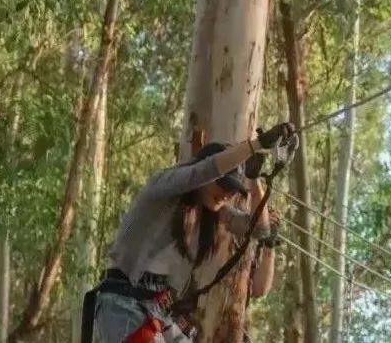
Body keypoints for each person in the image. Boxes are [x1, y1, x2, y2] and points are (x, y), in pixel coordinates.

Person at [86, 123, 296, 343]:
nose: (226, 194)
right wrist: (256, 145)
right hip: (124, 306)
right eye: (221, 184)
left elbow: (261, 230)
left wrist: (253, 179)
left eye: (231, 189)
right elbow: (205, 170)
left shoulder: (210, 209)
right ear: (203, 180)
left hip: (156, 309)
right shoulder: (163, 185)